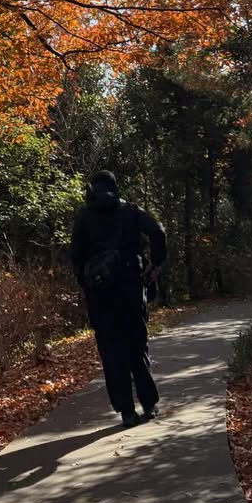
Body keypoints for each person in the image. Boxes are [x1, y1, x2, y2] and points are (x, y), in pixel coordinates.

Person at [69, 168, 168, 429]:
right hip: (131, 289)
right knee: (137, 346)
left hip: (100, 296)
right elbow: (158, 232)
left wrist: (87, 282)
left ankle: (126, 412)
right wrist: (154, 266)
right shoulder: (131, 212)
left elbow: (75, 257)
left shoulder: (84, 218)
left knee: (112, 353)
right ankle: (149, 403)